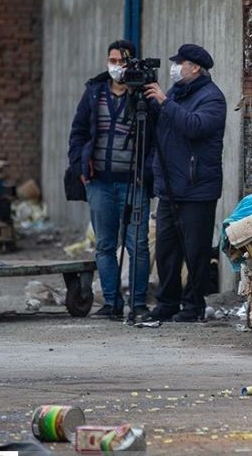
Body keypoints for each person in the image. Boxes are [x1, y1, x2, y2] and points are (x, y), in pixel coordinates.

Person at [141, 44, 226, 323]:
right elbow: (160, 136)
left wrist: (165, 103)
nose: (175, 67)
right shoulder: (176, 93)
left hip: (197, 188)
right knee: (166, 250)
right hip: (169, 187)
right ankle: (167, 302)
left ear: (196, 67)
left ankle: (193, 305)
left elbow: (194, 126)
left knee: (195, 251)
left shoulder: (212, 98)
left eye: (181, 63)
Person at [67, 40, 152, 320]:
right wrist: (80, 166)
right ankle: (111, 302)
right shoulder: (94, 93)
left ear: (131, 63)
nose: (116, 66)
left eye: (121, 61)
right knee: (105, 244)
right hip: (100, 182)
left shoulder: (142, 95)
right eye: (112, 60)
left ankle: (138, 303)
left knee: (137, 243)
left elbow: (155, 136)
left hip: (134, 182)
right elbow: (78, 132)